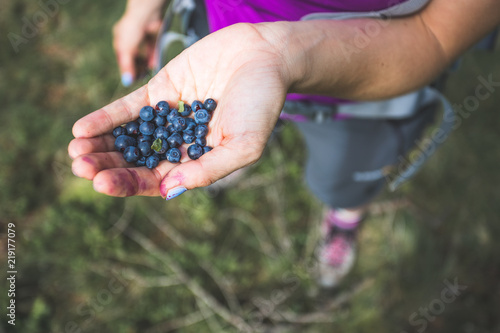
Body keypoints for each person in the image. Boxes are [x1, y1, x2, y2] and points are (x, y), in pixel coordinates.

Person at [69, 0, 500, 288]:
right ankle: (224, 153)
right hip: (211, 56)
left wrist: (281, 55)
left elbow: (435, 36)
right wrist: (141, 9)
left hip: (368, 90)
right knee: (220, 133)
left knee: (341, 180)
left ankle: (344, 214)